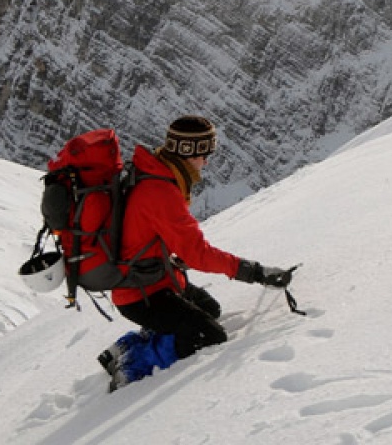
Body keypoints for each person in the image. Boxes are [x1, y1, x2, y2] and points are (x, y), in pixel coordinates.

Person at [98, 116, 295, 391]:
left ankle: (125, 346)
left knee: (209, 309)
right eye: (205, 154)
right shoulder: (161, 192)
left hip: (152, 278)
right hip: (140, 293)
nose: (207, 162)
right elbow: (198, 254)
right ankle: (132, 365)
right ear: (188, 152)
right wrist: (255, 272)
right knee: (208, 334)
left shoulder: (154, 170)